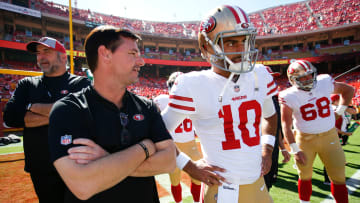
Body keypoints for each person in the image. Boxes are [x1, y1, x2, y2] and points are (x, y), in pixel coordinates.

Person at [161, 5, 278, 203]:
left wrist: (267, 149)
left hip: (257, 183)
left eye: (245, 40)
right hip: (223, 191)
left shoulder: (260, 75)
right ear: (207, 47)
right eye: (231, 42)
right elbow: (158, 131)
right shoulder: (193, 84)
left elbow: (270, 115)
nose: (242, 50)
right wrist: (188, 166)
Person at [48, 25, 176, 202]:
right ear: (105, 54)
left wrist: (107, 160)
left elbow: (169, 161)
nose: (141, 61)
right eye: (132, 54)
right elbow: (83, 185)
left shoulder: (146, 106)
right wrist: (145, 148)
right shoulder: (69, 110)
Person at [2, 37, 91, 202]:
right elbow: (11, 119)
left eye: (47, 52)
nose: (41, 57)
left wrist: (30, 106)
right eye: (38, 53)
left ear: (63, 57)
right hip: (41, 166)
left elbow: (84, 115)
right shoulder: (26, 84)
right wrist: (64, 112)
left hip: (77, 163)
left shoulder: (80, 83)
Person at [279, 59, 354, 203]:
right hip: (304, 139)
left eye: (309, 75)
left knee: (338, 177)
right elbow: (286, 126)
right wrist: (295, 150)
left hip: (329, 136)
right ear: (293, 80)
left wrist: (340, 110)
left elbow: (349, 90)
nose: (308, 79)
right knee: (305, 175)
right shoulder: (288, 95)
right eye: (303, 77)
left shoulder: (324, 82)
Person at [154, 71, 202, 203]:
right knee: (197, 180)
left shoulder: (162, 99)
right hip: (190, 147)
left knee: (176, 182)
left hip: (174, 149)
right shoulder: (193, 100)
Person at [263, 67, 291, 191]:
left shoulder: (274, 100)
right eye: (268, 78)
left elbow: (276, 128)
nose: (272, 81)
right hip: (255, 149)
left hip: (271, 149)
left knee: (268, 185)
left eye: (272, 78)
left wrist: (283, 148)